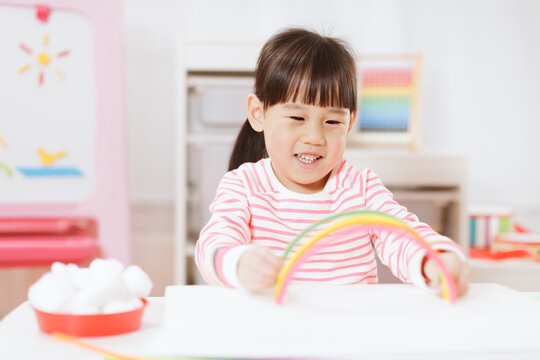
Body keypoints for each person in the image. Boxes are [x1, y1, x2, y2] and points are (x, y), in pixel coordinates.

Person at [195, 28, 470, 298]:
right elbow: (213, 246)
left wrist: (435, 260)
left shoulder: (360, 188)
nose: (315, 137)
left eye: (332, 122)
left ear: (349, 123)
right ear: (258, 113)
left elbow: (401, 234)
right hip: (272, 333)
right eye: (297, 118)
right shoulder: (243, 186)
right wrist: (239, 263)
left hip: (347, 334)